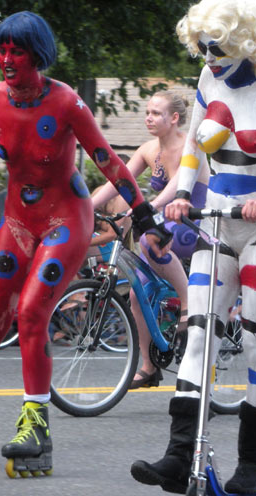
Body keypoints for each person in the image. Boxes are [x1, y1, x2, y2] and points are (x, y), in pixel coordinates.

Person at [0, 11, 170, 474]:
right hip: (16, 223)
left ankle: (36, 427)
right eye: (3, 51)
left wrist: (147, 215)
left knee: (32, 312)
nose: (7, 60)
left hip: (64, 222)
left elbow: (108, 161)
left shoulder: (68, 103)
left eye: (18, 51)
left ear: (38, 55)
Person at [131, 0, 256, 495]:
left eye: (216, 47)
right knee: (199, 334)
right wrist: (180, 194)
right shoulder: (206, 81)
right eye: (202, 47)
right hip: (216, 221)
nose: (208, 57)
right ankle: (177, 457)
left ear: (244, 41)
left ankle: (252, 468)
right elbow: (193, 146)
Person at [90, 90, 209, 389]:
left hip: (195, 221)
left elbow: (179, 186)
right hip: (164, 221)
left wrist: (147, 208)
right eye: (147, 112)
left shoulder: (190, 147)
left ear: (174, 118)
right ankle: (148, 366)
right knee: (135, 293)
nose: (149, 117)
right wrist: (85, 206)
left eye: (156, 113)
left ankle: (187, 301)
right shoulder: (147, 150)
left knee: (148, 240)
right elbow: (117, 182)